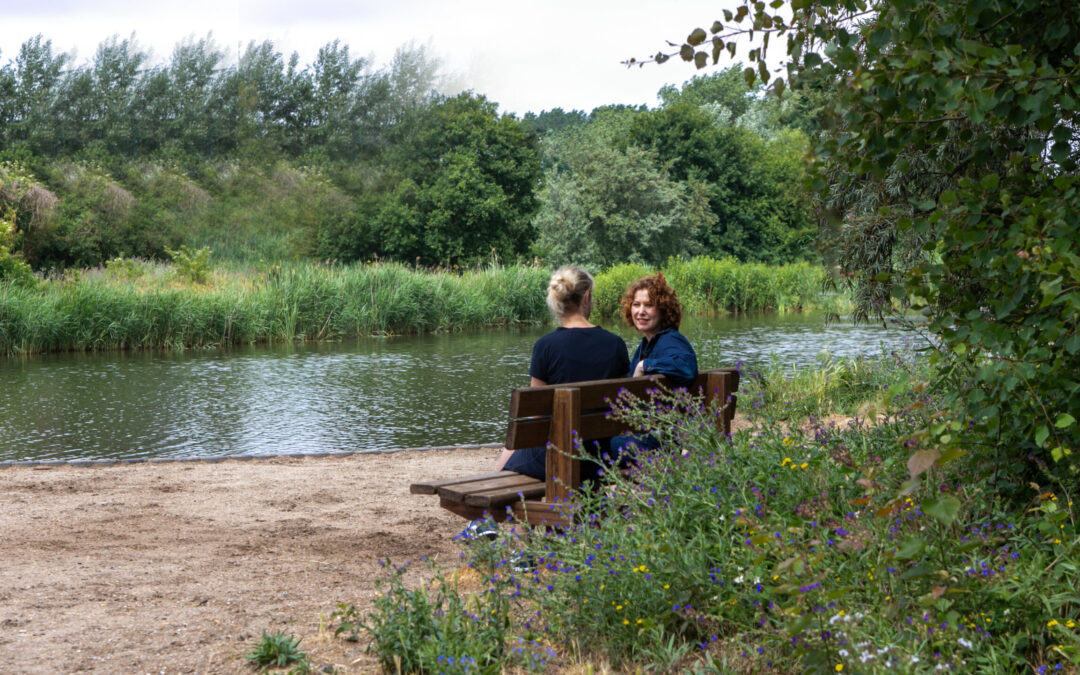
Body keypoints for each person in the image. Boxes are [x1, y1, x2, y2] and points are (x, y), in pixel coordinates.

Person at [494, 266, 630, 481]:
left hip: (557, 455)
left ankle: (491, 508)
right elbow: (621, 406)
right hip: (598, 456)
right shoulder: (615, 344)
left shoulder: (545, 346)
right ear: (586, 298)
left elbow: (537, 413)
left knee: (509, 453)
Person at [608, 272, 698, 465]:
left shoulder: (670, 340)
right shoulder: (646, 345)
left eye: (649, 305)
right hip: (651, 433)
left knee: (603, 445)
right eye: (636, 304)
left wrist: (645, 365)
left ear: (664, 310)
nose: (641, 311)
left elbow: (687, 368)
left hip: (659, 441)